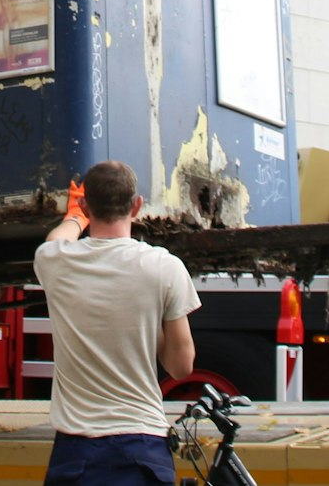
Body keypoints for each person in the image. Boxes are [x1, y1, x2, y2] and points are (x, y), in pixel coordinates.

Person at [32, 161, 198, 486]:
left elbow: (55, 240)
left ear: (85, 204)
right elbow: (181, 367)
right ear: (136, 205)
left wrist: (74, 217)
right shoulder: (165, 267)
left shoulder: (54, 262)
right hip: (143, 445)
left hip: (76, 451)